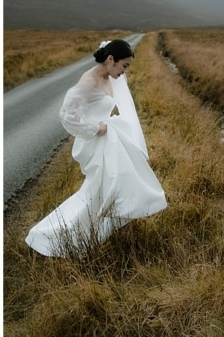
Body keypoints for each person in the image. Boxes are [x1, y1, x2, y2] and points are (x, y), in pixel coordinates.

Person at [26, 39, 167, 256]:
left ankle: (126, 244)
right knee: (101, 195)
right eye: (124, 66)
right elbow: (66, 115)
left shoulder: (110, 76)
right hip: (99, 144)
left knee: (122, 188)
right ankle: (54, 235)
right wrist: (95, 127)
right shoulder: (88, 82)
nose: (125, 71)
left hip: (113, 142)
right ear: (111, 59)